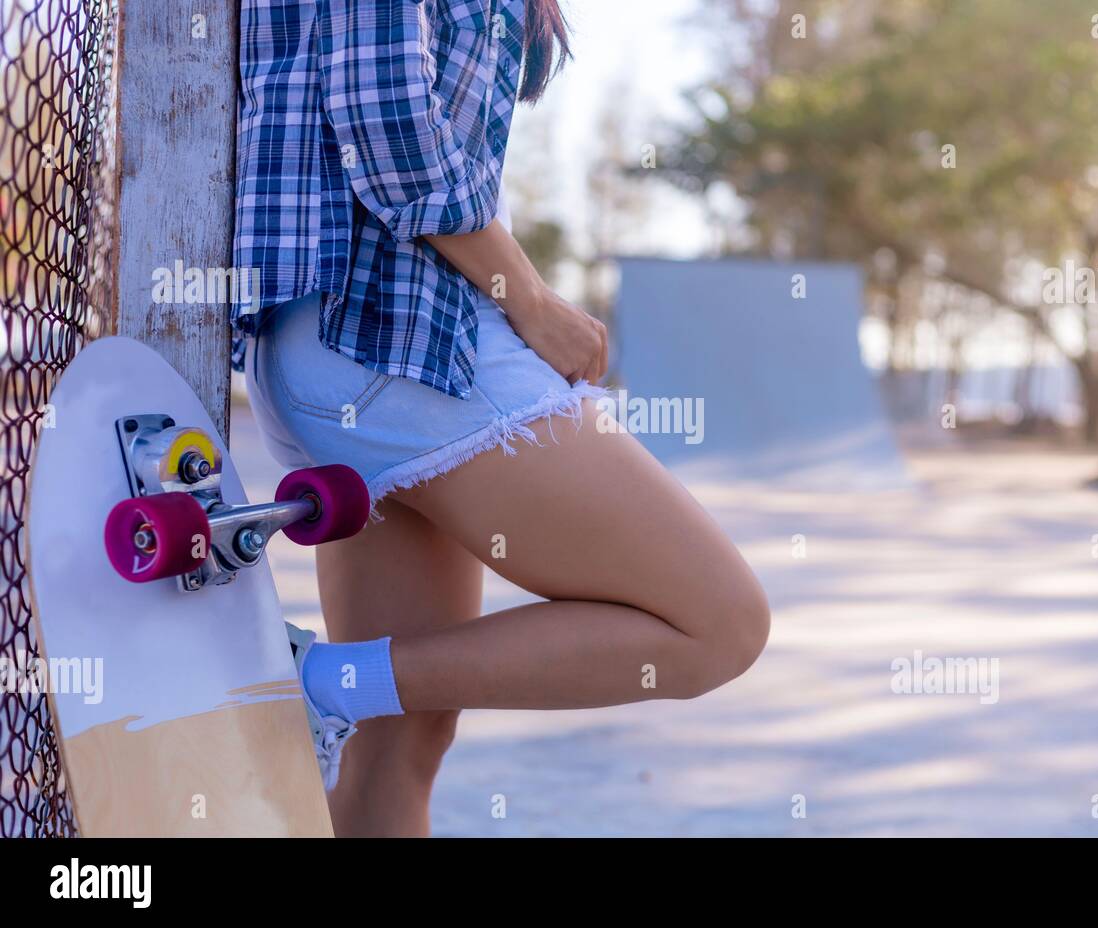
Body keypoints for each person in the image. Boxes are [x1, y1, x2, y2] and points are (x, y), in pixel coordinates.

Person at [234, 0, 769, 837]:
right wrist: (532, 302)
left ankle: (334, 683)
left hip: (352, 345)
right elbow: (389, 124)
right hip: (396, 338)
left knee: (400, 742)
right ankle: (314, 681)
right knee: (717, 622)